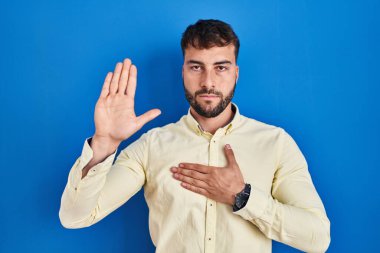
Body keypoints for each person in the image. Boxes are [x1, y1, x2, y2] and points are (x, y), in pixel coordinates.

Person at [59, 19, 331, 253]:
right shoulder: (151, 146)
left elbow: (317, 238)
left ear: (236, 74)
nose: (208, 82)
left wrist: (243, 197)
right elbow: (75, 217)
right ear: (183, 71)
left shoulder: (276, 142)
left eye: (221, 67)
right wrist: (104, 144)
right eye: (196, 67)